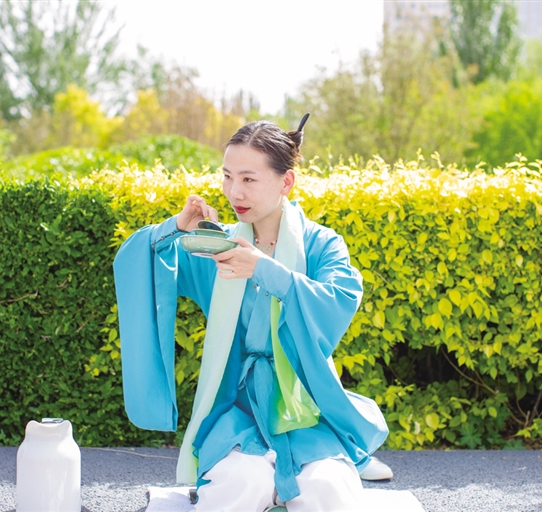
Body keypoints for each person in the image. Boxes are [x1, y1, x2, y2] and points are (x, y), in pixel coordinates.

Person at [113, 116, 390, 511]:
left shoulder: (321, 244)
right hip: (236, 408)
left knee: (324, 490)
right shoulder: (219, 243)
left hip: (306, 410)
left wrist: (264, 269)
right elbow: (143, 261)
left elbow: (337, 299)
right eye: (227, 177)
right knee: (244, 484)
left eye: (248, 179)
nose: (234, 192)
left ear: (286, 182)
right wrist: (176, 227)